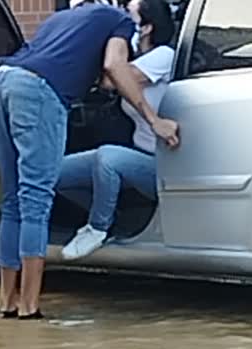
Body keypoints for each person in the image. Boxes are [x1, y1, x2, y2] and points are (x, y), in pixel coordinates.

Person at [0, 0, 180, 320]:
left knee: (14, 198)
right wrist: (153, 119)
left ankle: (7, 303)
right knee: (36, 198)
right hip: (38, 91)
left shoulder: (62, 18)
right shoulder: (119, 20)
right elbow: (113, 67)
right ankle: (30, 308)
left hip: (1, 80)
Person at [58, 0, 177, 260]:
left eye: (129, 14)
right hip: (136, 154)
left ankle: (98, 227)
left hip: (160, 163)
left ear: (146, 28)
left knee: (108, 157)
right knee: (50, 174)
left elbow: (112, 80)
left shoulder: (163, 56)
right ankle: (115, 218)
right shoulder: (138, 58)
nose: (122, 19)